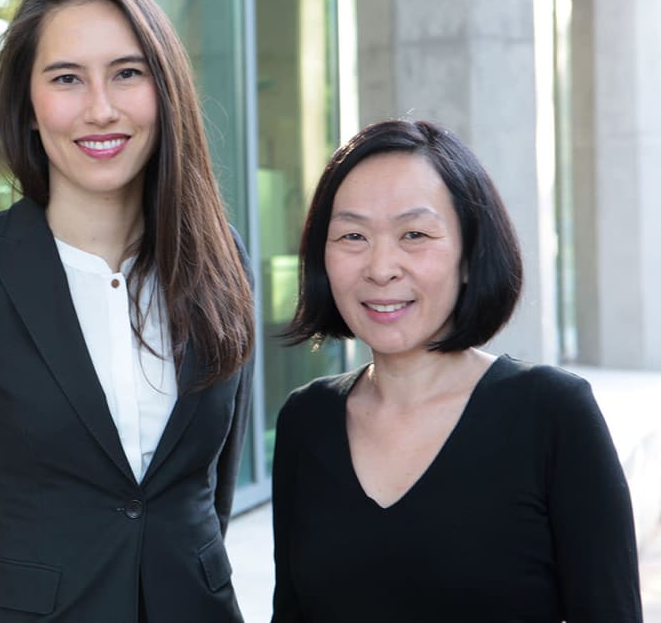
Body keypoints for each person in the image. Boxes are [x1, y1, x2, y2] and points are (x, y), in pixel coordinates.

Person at [0, 0, 255, 623]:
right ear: (29, 106)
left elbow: (204, 498)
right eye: (67, 78)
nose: (101, 109)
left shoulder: (222, 259)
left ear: (166, 91)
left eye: (128, 73)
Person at [271, 119, 642, 622]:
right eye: (353, 235)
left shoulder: (552, 414)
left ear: (470, 255)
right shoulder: (306, 420)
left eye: (415, 234)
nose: (381, 268)